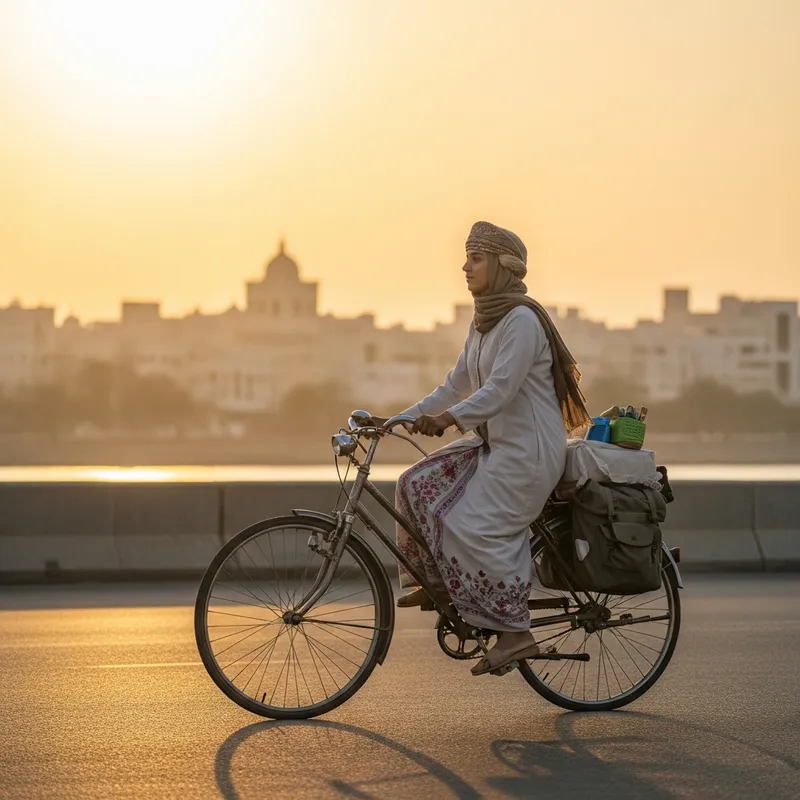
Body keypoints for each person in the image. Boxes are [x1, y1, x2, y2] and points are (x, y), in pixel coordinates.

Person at [392, 221, 591, 676]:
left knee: (472, 525)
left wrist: (448, 420)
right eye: (467, 258)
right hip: (493, 445)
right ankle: (439, 583)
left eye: (476, 259)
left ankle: (515, 632)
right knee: (415, 485)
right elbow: (457, 383)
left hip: (529, 454)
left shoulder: (522, 320)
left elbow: (499, 390)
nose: (465, 267)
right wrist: (401, 418)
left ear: (503, 267)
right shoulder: (485, 320)